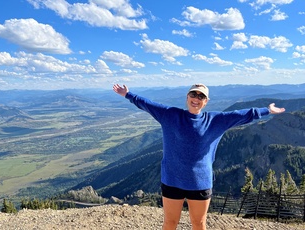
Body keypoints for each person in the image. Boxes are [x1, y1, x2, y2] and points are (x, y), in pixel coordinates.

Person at [112, 83, 285, 230]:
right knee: (170, 223)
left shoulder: (216, 120)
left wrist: (267, 110)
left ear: (206, 101)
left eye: (201, 96)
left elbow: (243, 114)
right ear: (187, 97)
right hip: (172, 180)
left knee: (199, 223)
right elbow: (147, 104)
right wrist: (127, 94)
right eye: (193, 94)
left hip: (200, 182)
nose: (196, 98)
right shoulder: (170, 115)